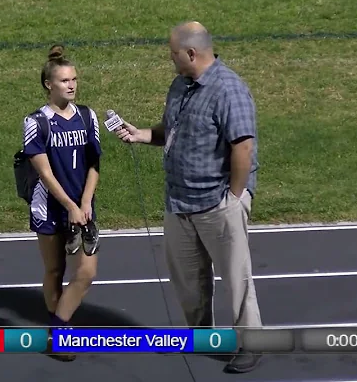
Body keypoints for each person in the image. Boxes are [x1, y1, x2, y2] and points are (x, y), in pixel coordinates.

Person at [113, 22, 263, 373]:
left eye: (173, 53)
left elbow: (243, 147)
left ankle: (251, 344)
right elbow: (173, 130)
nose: (170, 58)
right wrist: (143, 134)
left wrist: (234, 197)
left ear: (191, 53)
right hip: (179, 203)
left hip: (216, 203)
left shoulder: (229, 90)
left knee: (236, 280)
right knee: (187, 278)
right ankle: (201, 333)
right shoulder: (181, 85)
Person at [21, 44, 102, 361]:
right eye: (65, 80)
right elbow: (44, 172)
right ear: (48, 84)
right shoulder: (35, 121)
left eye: (74, 80)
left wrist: (83, 203)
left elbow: (94, 164)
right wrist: (69, 204)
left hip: (83, 208)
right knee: (54, 270)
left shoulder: (87, 116)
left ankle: (58, 328)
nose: (71, 85)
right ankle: (63, 335)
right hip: (51, 207)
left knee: (86, 272)